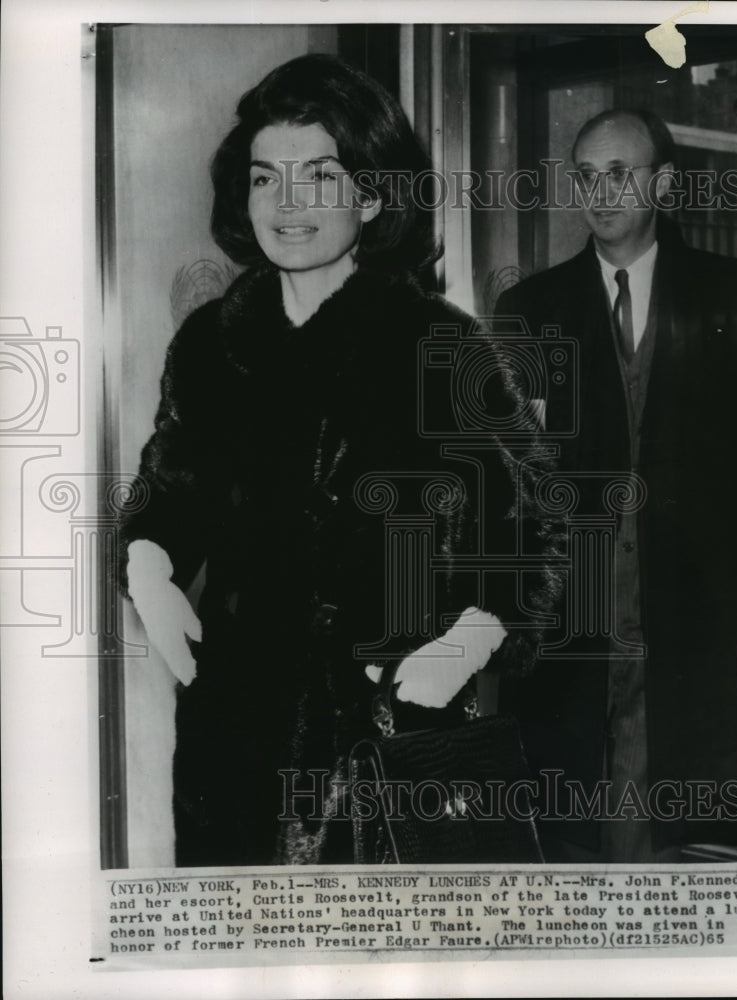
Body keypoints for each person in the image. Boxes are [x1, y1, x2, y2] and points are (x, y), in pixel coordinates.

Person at [119, 53, 561, 866]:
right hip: (235, 727)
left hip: (393, 725)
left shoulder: (438, 342)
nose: (287, 205)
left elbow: (531, 522)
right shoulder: (212, 346)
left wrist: (468, 638)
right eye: (264, 178)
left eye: (319, 176)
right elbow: (167, 490)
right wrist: (148, 566)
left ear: (370, 192)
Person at [497, 109, 737, 862]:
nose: (600, 191)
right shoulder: (531, 310)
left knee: (681, 789)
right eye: (585, 175)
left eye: (620, 172)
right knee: (573, 781)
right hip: (573, 594)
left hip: (693, 588)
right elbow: (509, 476)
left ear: (663, 183)